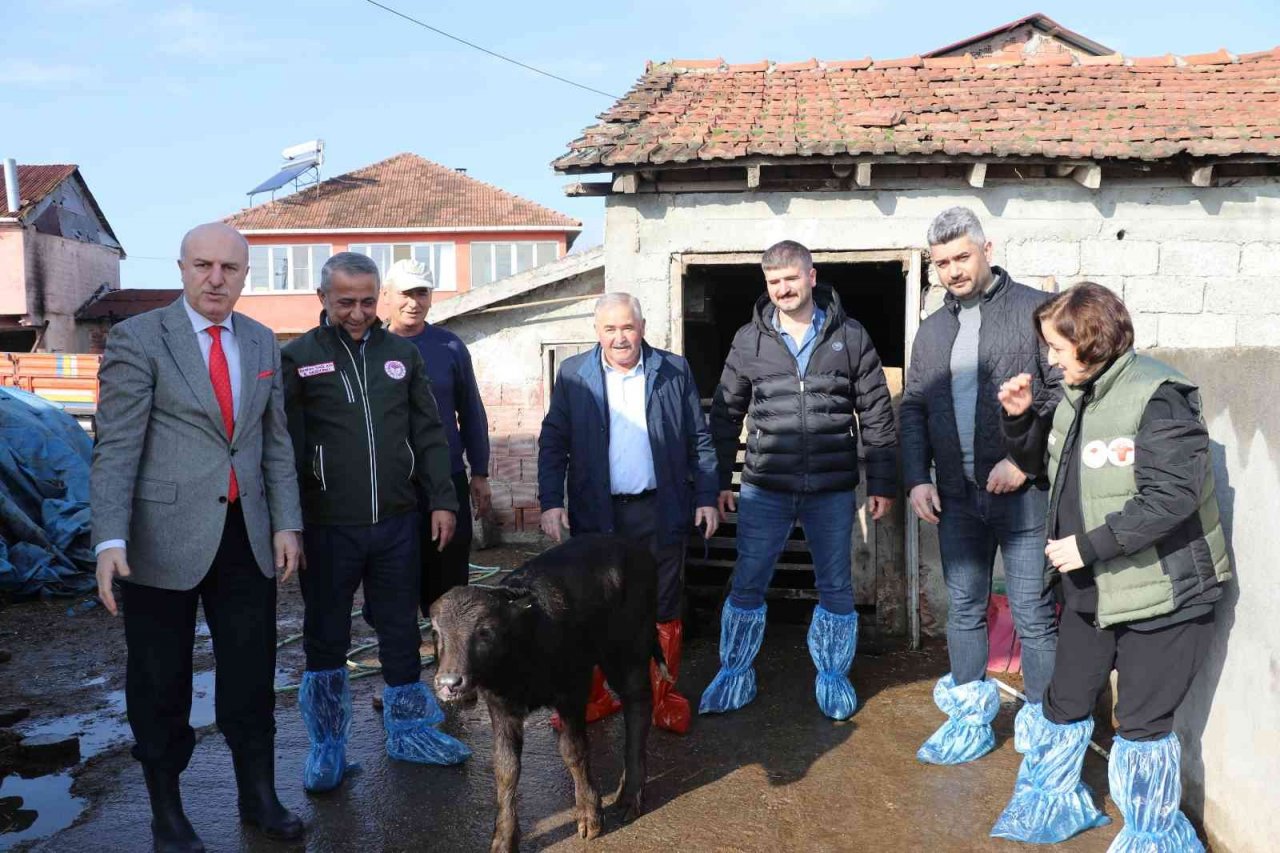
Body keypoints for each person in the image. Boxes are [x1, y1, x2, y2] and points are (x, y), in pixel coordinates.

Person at [990, 283, 1231, 849]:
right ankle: (1053, 803)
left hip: (1163, 597)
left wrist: (1088, 545)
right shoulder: (1080, 396)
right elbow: (1047, 471)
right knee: (1066, 701)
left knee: (1142, 725)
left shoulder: (1158, 396)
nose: (1048, 359)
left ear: (1090, 340)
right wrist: (1021, 421)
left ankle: (1150, 834)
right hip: (1091, 592)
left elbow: (1173, 497)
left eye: (1056, 346)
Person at [91, 222, 305, 850]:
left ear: (244, 275)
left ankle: (259, 796)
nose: (216, 279)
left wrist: (287, 521)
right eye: (203, 266)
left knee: (251, 670)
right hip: (159, 541)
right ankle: (167, 812)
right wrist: (109, 540)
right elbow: (117, 445)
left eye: (230, 269)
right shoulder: (139, 338)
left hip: (248, 536)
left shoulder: (263, 342)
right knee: (160, 681)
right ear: (182, 268)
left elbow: (274, 443)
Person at [281, 252, 468, 795]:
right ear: (323, 299)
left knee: (399, 628)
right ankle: (327, 746)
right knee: (325, 634)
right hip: (327, 526)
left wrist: (441, 500)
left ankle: (408, 730)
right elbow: (284, 448)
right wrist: (289, 523)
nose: (358, 313)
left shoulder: (401, 354)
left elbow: (430, 432)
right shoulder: (299, 358)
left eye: (367, 301)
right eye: (345, 302)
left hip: (395, 522)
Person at [701, 240, 897, 721]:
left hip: (830, 488)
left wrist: (883, 483)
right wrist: (718, 483)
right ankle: (734, 673)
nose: (783, 289)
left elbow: (876, 412)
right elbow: (726, 415)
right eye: (773, 282)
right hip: (766, 484)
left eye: (791, 278)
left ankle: (832, 676)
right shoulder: (749, 340)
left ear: (812, 276)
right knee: (748, 581)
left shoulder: (849, 336)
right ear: (766, 286)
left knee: (835, 585)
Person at [901, 207, 1061, 765]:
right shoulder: (932, 330)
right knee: (964, 606)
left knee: (1032, 610)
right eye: (941, 263)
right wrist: (917, 479)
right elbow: (914, 407)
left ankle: (1045, 734)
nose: (952, 271)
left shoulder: (1032, 312)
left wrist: (1025, 460)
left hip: (1023, 496)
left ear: (986, 249)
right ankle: (970, 721)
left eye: (961, 257)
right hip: (959, 497)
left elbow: (1061, 393)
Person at [537, 292, 719, 734]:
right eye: (610, 329)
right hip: (597, 515)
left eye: (628, 327)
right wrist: (551, 502)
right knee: (590, 608)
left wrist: (707, 497)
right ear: (596, 332)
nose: (620, 337)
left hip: (660, 510)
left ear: (642, 326)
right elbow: (553, 442)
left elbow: (700, 439)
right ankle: (594, 698)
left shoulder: (673, 370)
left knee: (662, 603)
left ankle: (663, 698)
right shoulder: (574, 374)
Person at [381, 259, 491, 613]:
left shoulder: (449, 347)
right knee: (395, 578)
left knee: (448, 578)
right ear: (386, 295)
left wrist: (479, 471)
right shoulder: (371, 348)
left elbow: (471, 411)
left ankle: (450, 660)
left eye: (421, 293)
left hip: (446, 479)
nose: (413, 302)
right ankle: (403, 661)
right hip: (390, 484)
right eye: (405, 294)